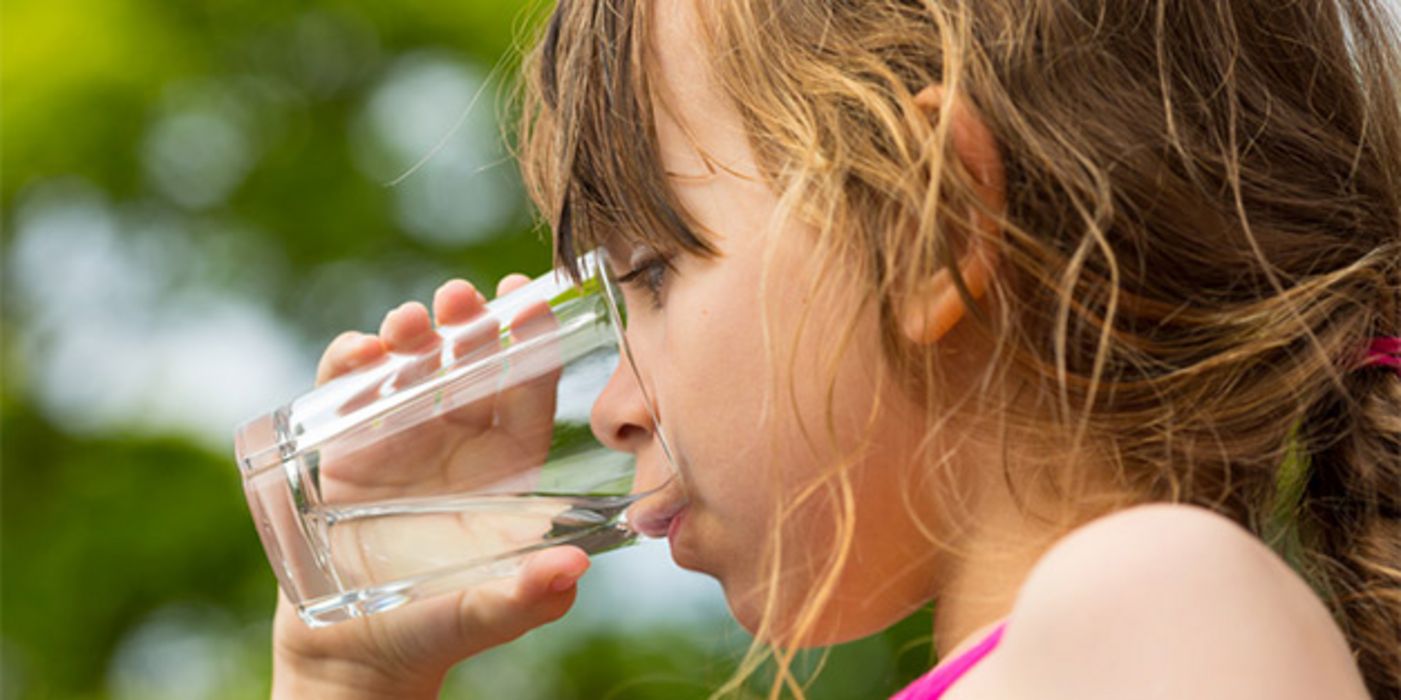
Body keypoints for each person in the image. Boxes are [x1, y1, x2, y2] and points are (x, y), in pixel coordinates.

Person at [269, 0, 1401, 698]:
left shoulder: (1149, 600)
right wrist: (345, 677)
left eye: (651, 272)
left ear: (926, 227)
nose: (609, 405)